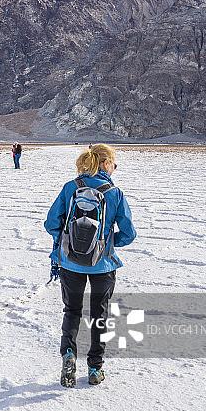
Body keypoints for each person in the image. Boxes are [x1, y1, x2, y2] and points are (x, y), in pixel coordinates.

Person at [44, 144, 136, 387]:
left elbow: (51, 222)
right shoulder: (114, 193)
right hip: (103, 265)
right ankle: (95, 368)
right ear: (105, 163)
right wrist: (107, 243)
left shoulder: (70, 188)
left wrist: (66, 241)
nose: (114, 169)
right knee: (100, 315)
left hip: (70, 262)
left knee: (71, 311)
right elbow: (129, 233)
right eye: (114, 164)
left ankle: (68, 355)